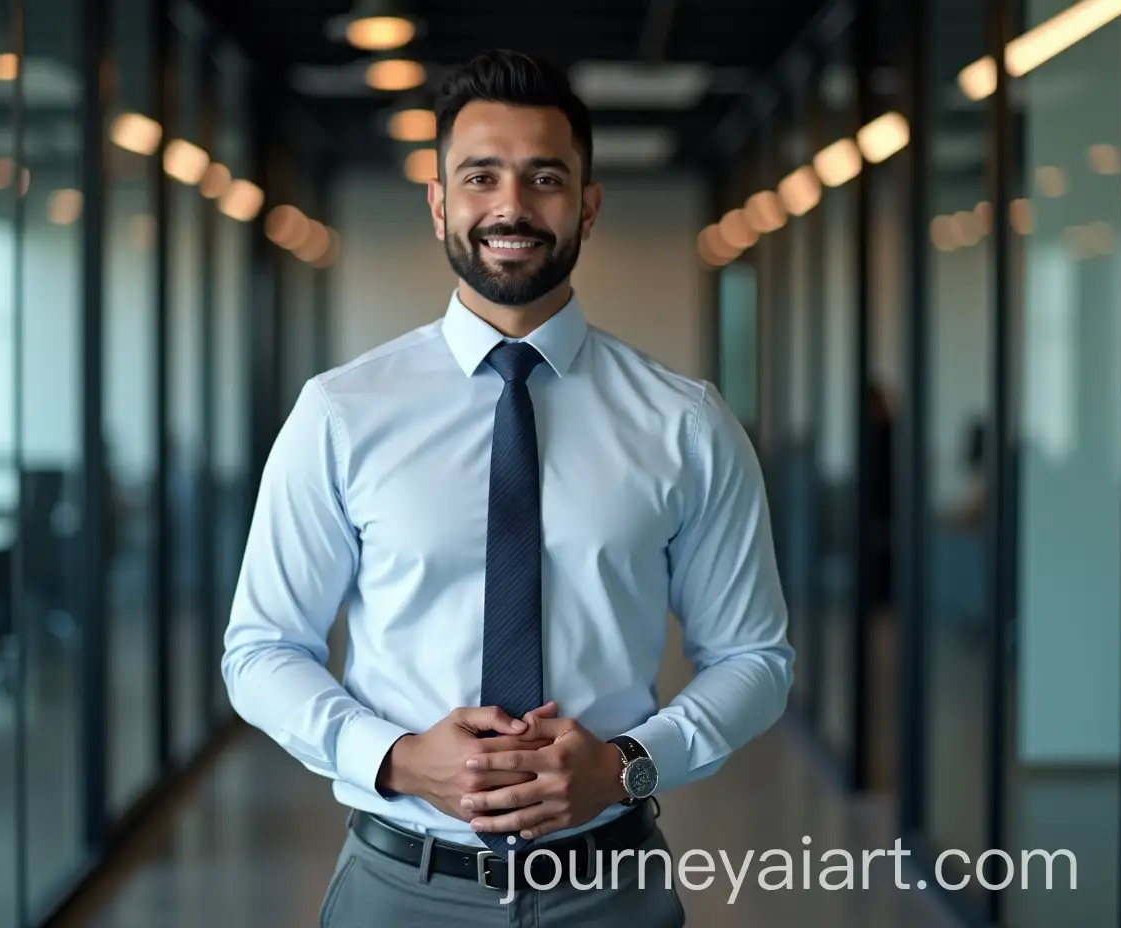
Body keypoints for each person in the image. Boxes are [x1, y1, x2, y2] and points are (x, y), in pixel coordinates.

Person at [221, 48, 794, 928]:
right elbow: (262, 649)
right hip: (397, 889)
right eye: (480, 176)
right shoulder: (341, 414)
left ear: (588, 205)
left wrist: (627, 766)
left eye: (545, 178)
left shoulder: (685, 424)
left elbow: (755, 659)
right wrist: (398, 759)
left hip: (612, 888)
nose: (512, 206)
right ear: (440, 204)